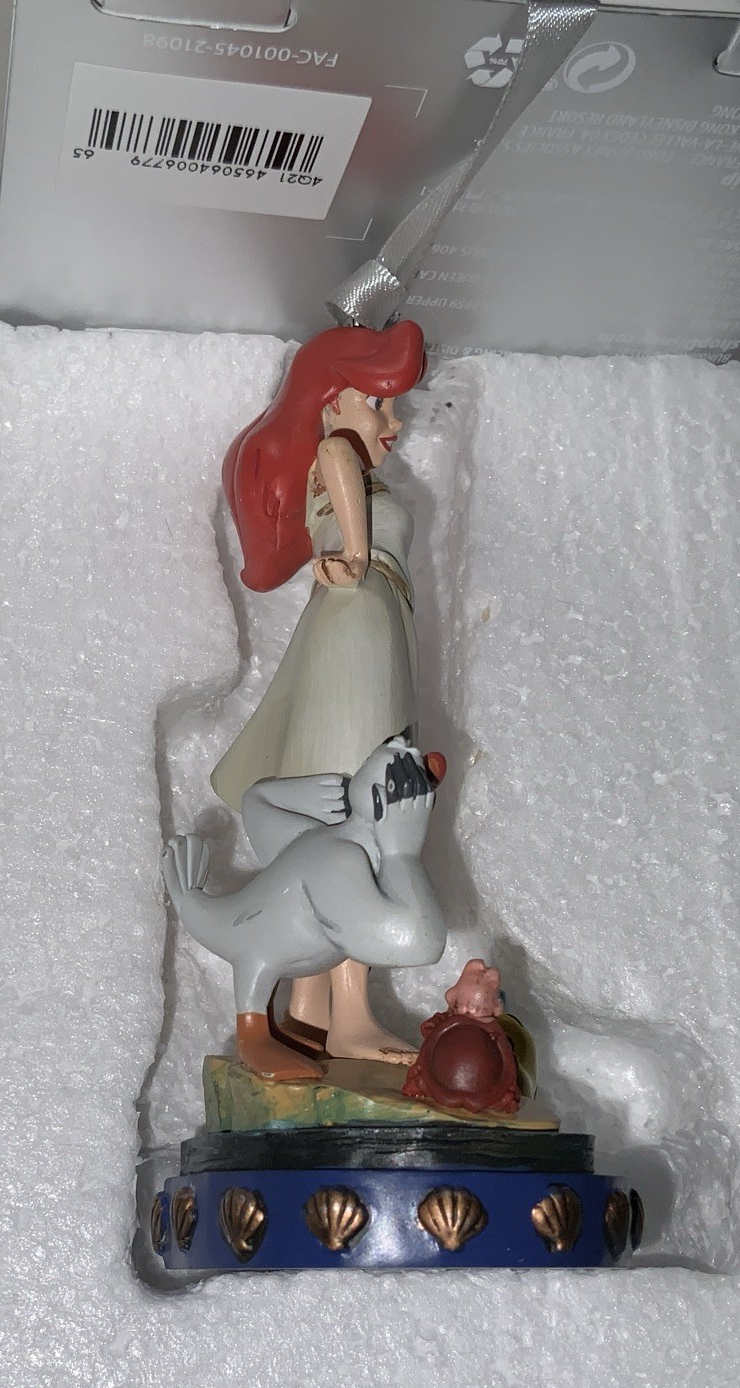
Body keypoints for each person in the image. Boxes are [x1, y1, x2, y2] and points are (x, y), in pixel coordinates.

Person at [210, 320, 430, 1074]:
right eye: (377, 403)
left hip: (360, 629)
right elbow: (336, 457)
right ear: (332, 403)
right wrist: (358, 557)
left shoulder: (347, 475)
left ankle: (308, 1007)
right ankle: (351, 1017)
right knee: (363, 816)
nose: (393, 423)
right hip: (357, 628)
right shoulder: (335, 458)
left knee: (331, 807)